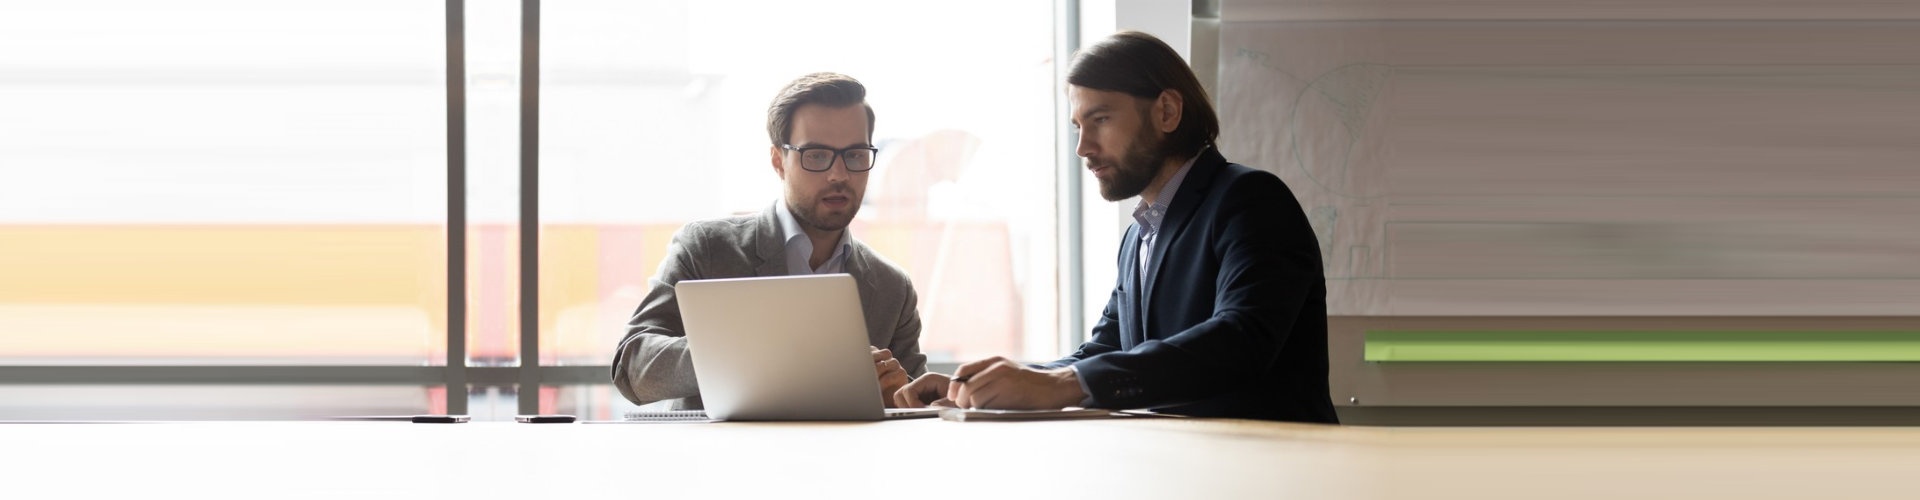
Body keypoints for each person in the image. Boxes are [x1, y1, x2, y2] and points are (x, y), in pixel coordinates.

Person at [894, 32, 1337, 423]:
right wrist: (977, 386)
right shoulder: (1140, 233)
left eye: (1101, 119)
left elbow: (1241, 341)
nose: (1083, 147)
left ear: (1167, 111)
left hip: (1274, 474)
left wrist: (1062, 384)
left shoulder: (1251, 199)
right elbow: (1106, 349)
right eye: (1077, 127)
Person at [612, 72, 925, 409]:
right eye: (817, 155)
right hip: (726, 460)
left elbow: (918, 405)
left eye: (855, 154)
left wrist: (896, 394)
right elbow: (633, 367)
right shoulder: (708, 249)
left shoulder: (892, 288)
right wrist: (750, 356)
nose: (840, 174)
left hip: (845, 460)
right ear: (778, 161)